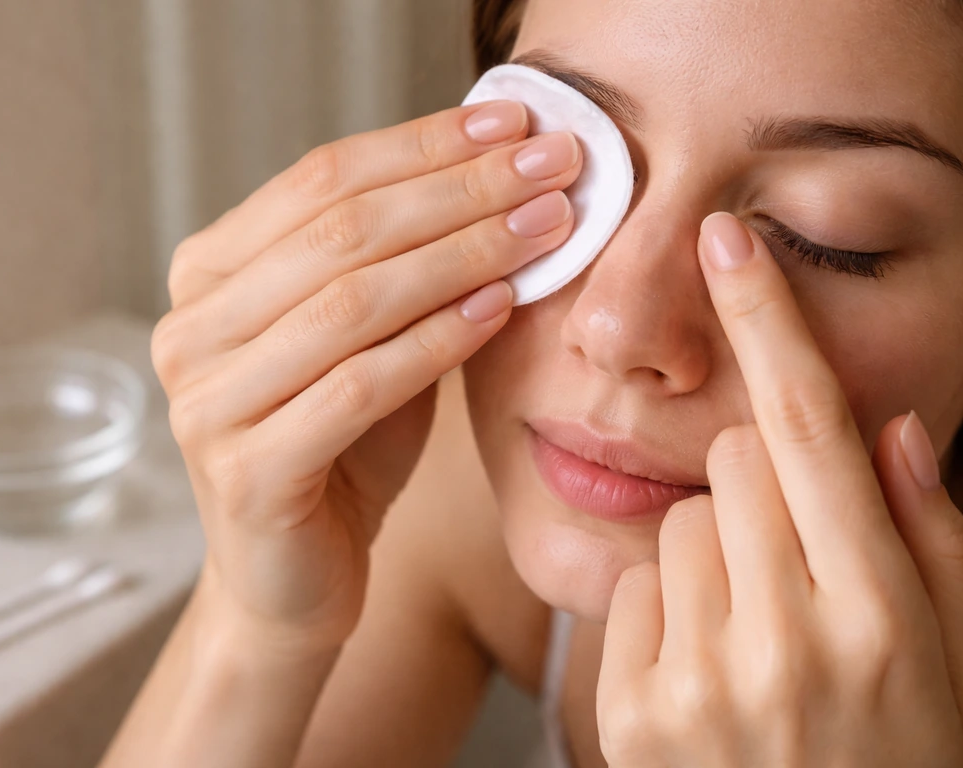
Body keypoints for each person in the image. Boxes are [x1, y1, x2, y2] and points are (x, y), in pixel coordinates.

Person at [99, 0, 963, 765]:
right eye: (572, 163)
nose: (616, 330)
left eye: (822, 238)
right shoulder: (463, 483)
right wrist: (253, 629)